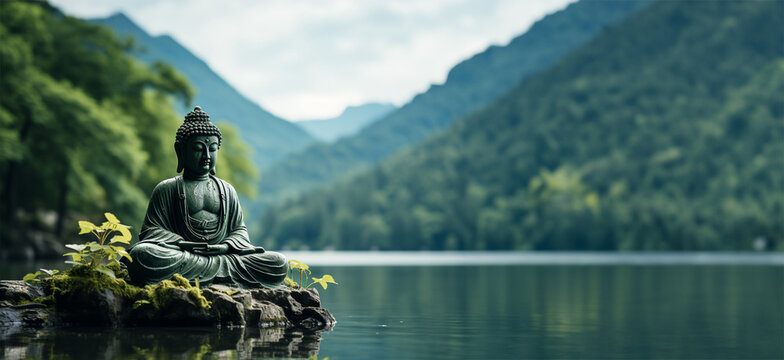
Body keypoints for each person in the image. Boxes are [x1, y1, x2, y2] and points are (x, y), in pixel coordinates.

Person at [126, 106, 287, 288]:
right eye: (198, 148)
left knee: (278, 263)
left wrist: (225, 247)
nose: (206, 156)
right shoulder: (167, 188)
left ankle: (210, 275)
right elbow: (151, 230)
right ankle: (221, 277)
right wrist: (183, 244)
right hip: (184, 255)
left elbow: (239, 231)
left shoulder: (227, 190)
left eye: (212, 149)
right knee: (142, 255)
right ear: (180, 151)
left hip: (224, 258)